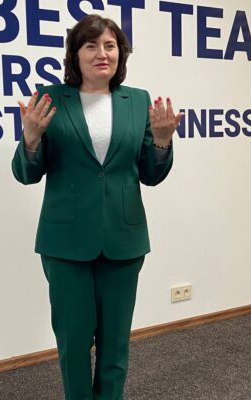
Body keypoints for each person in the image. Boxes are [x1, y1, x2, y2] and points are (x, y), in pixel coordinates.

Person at [12, 14, 183, 400]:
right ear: (75, 54)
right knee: (73, 342)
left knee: (115, 343)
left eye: (110, 46)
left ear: (121, 54)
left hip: (124, 239)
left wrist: (161, 141)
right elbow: (26, 174)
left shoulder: (137, 100)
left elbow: (150, 175)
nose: (102, 53)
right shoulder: (51, 99)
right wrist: (31, 139)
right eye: (91, 46)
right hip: (65, 243)